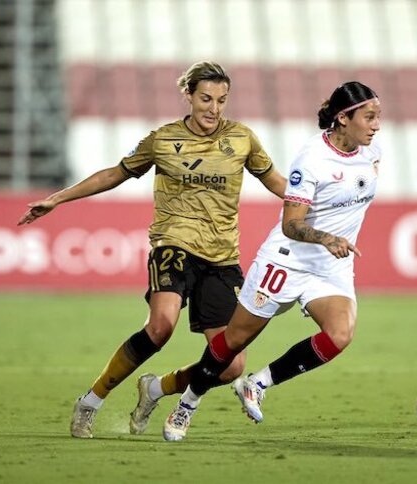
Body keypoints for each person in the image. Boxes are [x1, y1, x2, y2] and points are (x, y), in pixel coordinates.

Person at [17, 61, 286, 439]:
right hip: (173, 244)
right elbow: (115, 173)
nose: (213, 108)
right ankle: (91, 401)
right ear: (189, 95)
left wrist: (318, 206)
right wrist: (58, 199)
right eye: (206, 98)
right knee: (160, 327)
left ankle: (157, 388)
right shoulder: (163, 140)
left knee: (232, 366)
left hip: (222, 259)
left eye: (221, 101)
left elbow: (277, 181)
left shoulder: (242, 139)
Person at [160, 81, 382, 441]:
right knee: (232, 342)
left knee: (340, 334)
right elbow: (291, 224)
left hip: (330, 266)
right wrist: (328, 238)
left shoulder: (372, 154)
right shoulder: (312, 160)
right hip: (287, 260)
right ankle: (188, 402)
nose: (376, 125)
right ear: (343, 118)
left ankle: (258, 384)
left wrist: (335, 244)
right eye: (369, 117)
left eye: (378, 117)